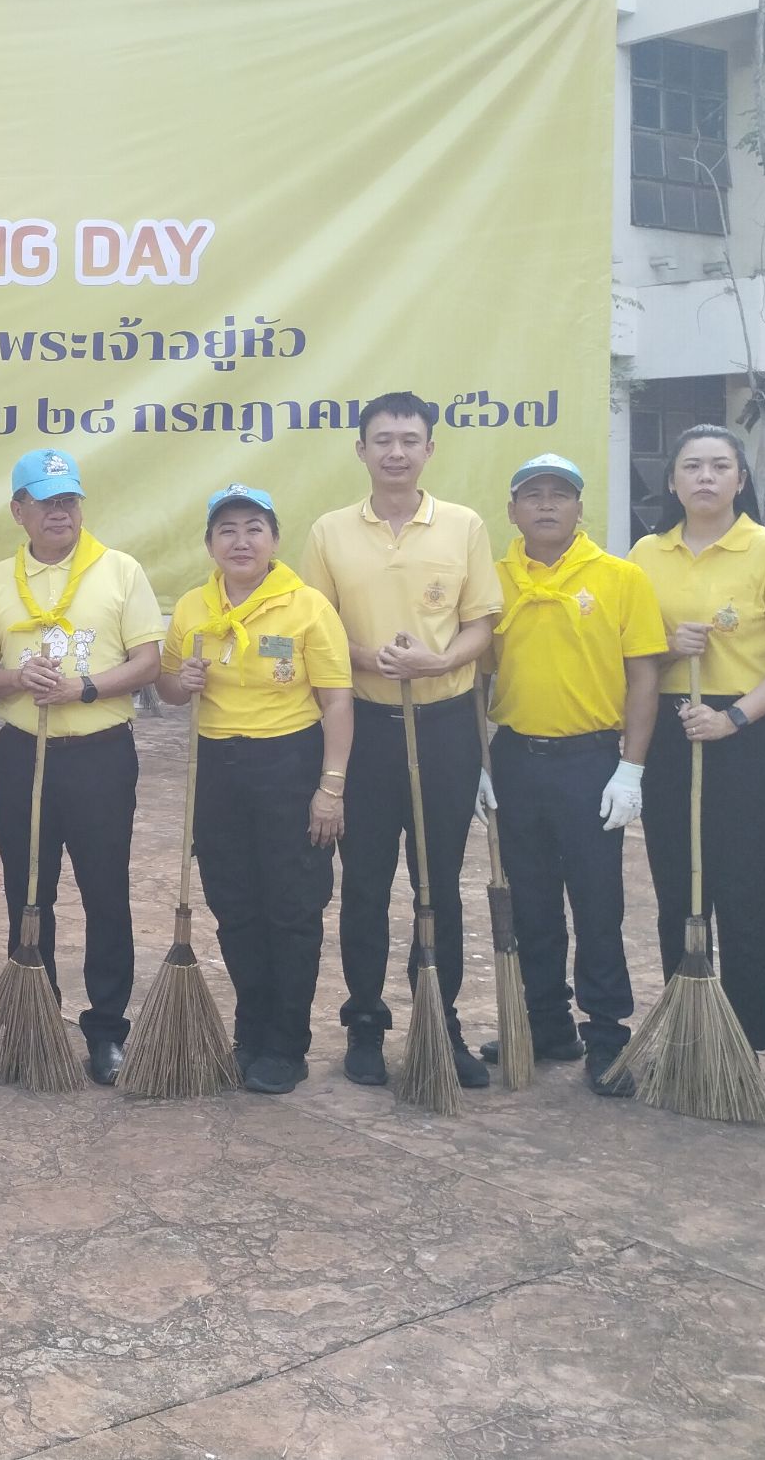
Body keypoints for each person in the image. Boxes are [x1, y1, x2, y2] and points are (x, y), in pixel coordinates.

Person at [301, 392, 499, 1091]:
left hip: (444, 726)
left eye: (409, 440)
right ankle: (363, 1020)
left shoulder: (464, 525)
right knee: (363, 884)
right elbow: (315, 629)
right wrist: (365, 657)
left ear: (429, 449)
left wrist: (441, 661)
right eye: (382, 439)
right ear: (361, 450)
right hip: (366, 726)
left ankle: (439, 1021)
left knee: (438, 882)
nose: (395, 452)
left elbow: (481, 624)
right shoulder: (329, 532)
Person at [0, 447, 164, 1086]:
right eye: (46, 501)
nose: (60, 511)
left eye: (69, 500)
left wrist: (84, 689)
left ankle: (107, 1028)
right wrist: (17, 678)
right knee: (27, 892)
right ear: (19, 510)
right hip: (24, 753)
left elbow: (148, 660)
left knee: (107, 893)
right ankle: (36, 1021)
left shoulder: (120, 570)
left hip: (102, 755)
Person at [627, 425, 765, 1057]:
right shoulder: (644, 556)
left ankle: (739, 1042)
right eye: (692, 467)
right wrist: (664, 649)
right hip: (669, 730)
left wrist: (734, 718)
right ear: (674, 481)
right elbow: (627, 656)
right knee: (677, 890)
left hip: (746, 735)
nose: (706, 477)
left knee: (743, 891)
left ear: (741, 479)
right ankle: (688, 1031)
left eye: (719, 466)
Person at [155, 485, 351, 1094]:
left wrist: (331, 787)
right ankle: (251, 1029)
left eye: (254, 529)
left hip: (289, 763)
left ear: (274, 539)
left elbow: (337, 699)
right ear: (210, 543)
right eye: (227, 530)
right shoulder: (192, 608)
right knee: (234, 905)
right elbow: (165, 688)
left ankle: (287, 1043)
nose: (241, 541)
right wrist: (179, 682)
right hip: (218, 766)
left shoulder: (307, 606)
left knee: (292, 908)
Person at [485, 455, 665, 1096]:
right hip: (514, 759)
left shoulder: (620, 578)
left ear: (580, 507)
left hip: (591, 761)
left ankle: (607, 1033)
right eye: (531, 495)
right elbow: (477, 671)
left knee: (597, 903)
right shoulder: (493, 579)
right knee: (529, 902)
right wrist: (482, 759)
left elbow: (645, 673)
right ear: (512, 510)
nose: (546, 506)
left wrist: (631, 768)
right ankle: (545, 1022)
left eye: (560, 495)